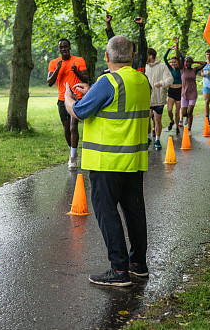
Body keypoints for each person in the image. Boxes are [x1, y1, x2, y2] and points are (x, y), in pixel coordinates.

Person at [64, 35, 150, 287]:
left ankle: (119, 270)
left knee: (107, 213)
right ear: (132, 56)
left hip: (106, 162)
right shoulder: (141, 80)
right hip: (133, 160)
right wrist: (93, 93)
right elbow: (120, 103)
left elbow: (79, 111)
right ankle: (138, 265)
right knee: (134, 212)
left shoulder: (108, 81)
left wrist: (70, 98)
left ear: (107, 56)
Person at [47, 38, 89, 169]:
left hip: (77, 98)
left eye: (66, 46)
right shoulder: (54, 63)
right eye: (61, 47)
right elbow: (49, 82)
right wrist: (57, 70)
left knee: (73, 127)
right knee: (66, 129)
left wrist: (76, 71)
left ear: (69, 47)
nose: (64, 49)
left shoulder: (79, 60)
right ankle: (73, 150)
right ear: (59, 49)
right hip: (62, 99)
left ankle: (72, 158)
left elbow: (86, 78)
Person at [145, 47, 173, 150]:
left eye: (146, 56)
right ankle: (148, 138)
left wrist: (161, 83)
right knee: (146, 119)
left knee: (157, 120)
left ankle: (157, 139)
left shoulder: (162, 67)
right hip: (147, 98)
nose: (145, 58)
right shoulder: (144, 67)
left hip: (159, 98)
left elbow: (170, 79)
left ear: (151, 56)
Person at [178, 56, 204, 131]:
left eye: (189, 62)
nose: (188, 63)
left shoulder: (194, 70)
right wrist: (176, 46)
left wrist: (194, 61)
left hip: (193, 93)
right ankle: (187, 117)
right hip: (184, 94)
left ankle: (189, 129)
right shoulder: (182, 69)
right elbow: (177, 57)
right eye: (187, 61)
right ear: (185, 63)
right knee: (183, 113)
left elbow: (204, 63)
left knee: (190, 111)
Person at [163, 38, 184, 131]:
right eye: (172, 62)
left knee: (177, 112)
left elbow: (181, 58)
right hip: (171, 90)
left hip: (179, 90)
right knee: (169, 110)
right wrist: (169, 49)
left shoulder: (180, 68)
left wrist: (177, 49)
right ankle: (171, 121)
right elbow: (164, 58)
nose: (173, 63)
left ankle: (176, 127)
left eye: (175, 62)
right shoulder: (170, 69)